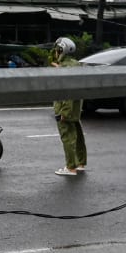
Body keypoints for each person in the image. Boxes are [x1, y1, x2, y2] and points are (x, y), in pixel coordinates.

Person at [51, 37, 86, 176]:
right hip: (76, 107)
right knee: (78, 136)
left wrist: (64, 111)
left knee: (67, 137)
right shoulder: (77, 64)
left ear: (60, 50)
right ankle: (80, 163)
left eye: (56, 50)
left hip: (65, 107)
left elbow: (66, 91)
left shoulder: (64, 68)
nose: (55, 52)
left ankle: (70, 167)